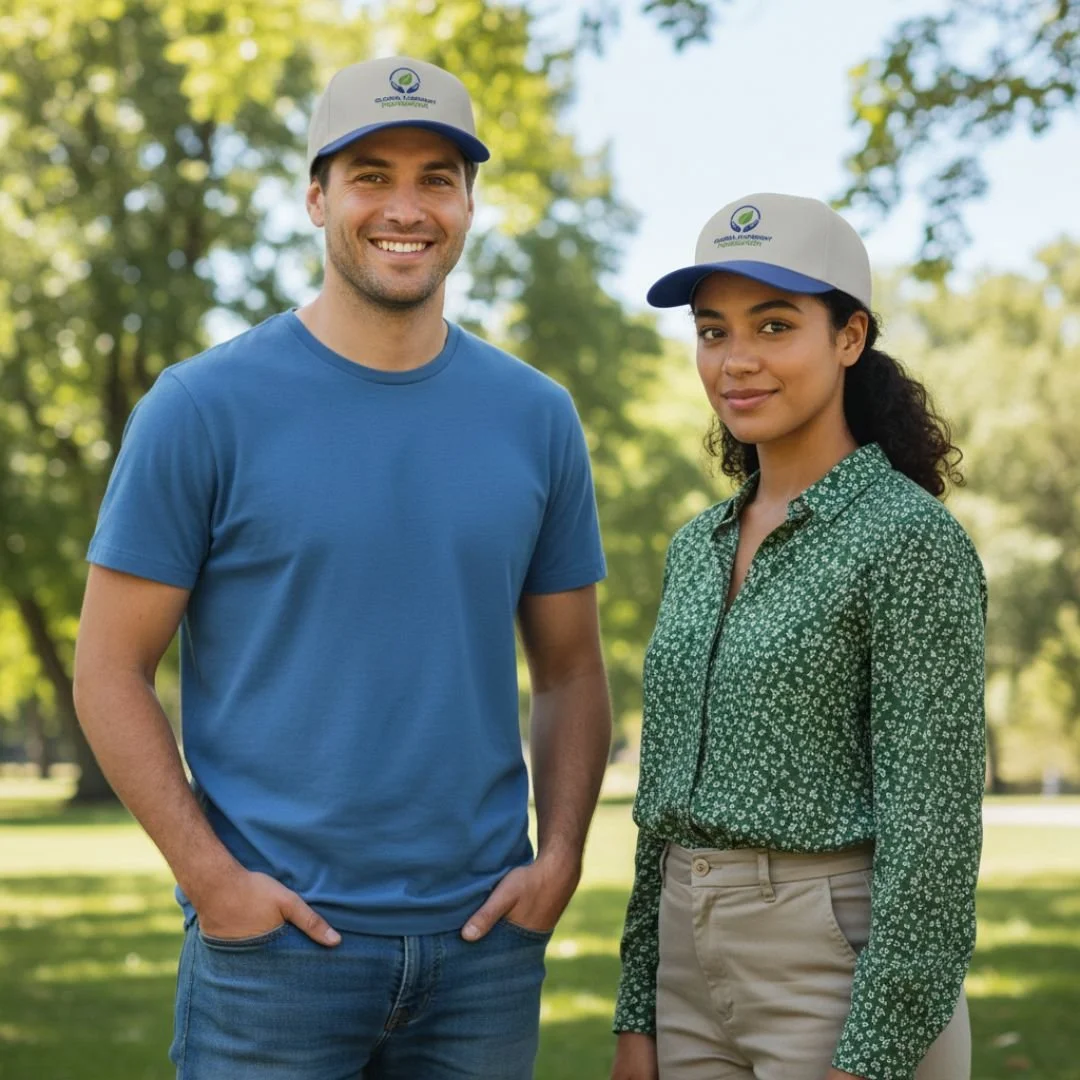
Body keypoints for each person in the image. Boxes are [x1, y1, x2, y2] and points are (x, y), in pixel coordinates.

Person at [74, 55, 612, 1079]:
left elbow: (573, 670)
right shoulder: (200, 410)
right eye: (370, 173)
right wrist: (213, 881)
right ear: (317, 196)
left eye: (436, 178)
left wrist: (562, 861)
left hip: (483, 954)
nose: (405, 207)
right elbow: (107, 670)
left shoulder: (537, 419)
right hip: (272, 956)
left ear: (467, 204)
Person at [611, 193, 986, 1080]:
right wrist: (638, 1008)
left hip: (837, 966)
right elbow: (661, 801)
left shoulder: (909, 541)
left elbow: (932, 831)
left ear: (849, 337)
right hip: (685, 962)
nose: (736, 361)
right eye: (713, 331)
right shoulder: (695, 546)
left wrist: (875, 1050)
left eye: (774, 326)